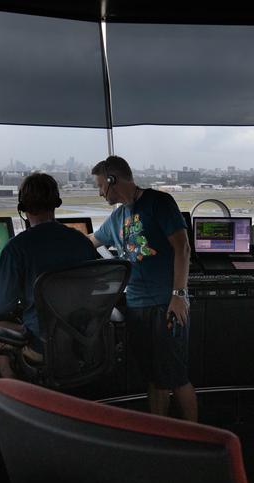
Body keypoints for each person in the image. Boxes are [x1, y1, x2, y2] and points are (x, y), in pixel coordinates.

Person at [89, 155, 197, 421]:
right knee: (153, 377)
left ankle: (197, 438)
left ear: (112, 180)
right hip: (137, 306)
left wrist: (179, 295)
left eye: (100, 185)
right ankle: (160, 434)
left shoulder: (159, 203)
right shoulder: (117, 217)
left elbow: (182, 248)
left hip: (166, 304)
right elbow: (91, 240)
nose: (99, 192)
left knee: (175, 377)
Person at [0, 173, 98, 378]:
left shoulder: (16, 249)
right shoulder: (81, 241)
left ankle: (14, 403)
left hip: (43, 347)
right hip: (83, 342)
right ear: (56, 203)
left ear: (23, 208)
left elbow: (2, 306)